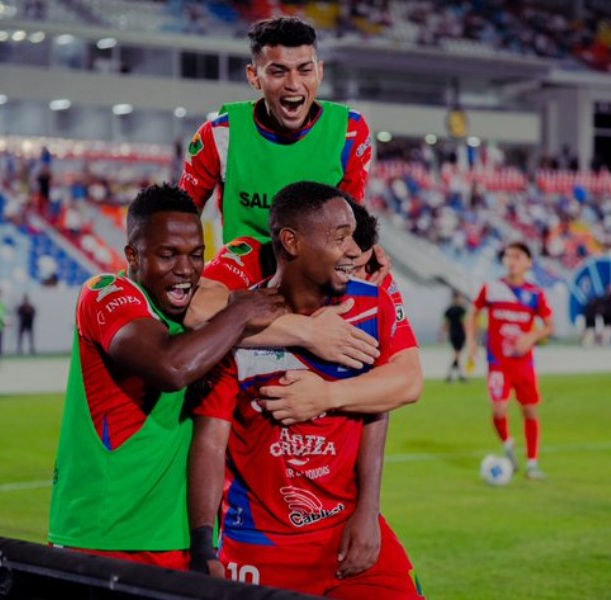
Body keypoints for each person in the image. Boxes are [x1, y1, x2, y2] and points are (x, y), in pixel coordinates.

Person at [188, 182, 424, 598]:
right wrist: (205, 545)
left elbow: (394, 392)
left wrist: (368, 511)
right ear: (292, 242)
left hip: (348, 536)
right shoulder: (240, 318)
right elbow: (210, 440)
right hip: (259, 546)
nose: (354, 250)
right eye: (339, 237)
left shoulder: (371, 304)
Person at [48, 184, 285, 568]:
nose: (185, 270)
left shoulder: (198, 321)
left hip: (177, 542)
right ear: (132, 255)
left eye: (196, 256)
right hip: (101, 539)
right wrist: (240, 311)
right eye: (167, 255)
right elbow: (170, 367)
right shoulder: (106, 293)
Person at [180, 16, 373, 244]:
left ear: (319, 72)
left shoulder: (349, 131)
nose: (293, 83)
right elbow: (180, 218)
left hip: (318, 263)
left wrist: (367, 252)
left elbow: (352, 225)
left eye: (304, 70)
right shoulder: (220, 134)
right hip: (244, 265)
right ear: (254, 77)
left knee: (383, 279)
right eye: (278, 72)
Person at [466, 242, 555, 481]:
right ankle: (508, 444)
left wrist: (532, 336)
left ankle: (533, 464)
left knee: (530, 411)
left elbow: (549, 326)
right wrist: (472, 343)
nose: (511, 260)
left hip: (524, 364)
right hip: (498, 363)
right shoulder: (492, 288)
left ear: (528, 262)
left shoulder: (535, 294)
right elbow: (473, 313)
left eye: (517, 256)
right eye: (507, 256)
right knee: (498, 408)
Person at [442, 291, 467, 382]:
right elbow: (464, 323)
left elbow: (446, 325)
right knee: (458, 355)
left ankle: (460, 375)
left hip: (452, 334)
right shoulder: (462, 310)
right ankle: (450, 374)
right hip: (460, 334)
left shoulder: (448, 310)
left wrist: (443, 335)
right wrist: (468, 334)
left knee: (457, 355)